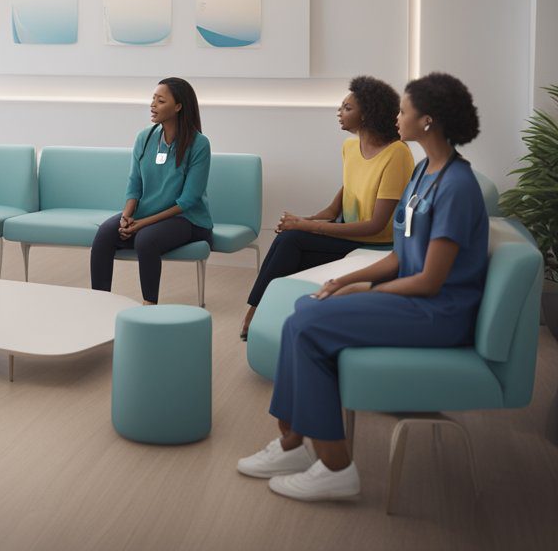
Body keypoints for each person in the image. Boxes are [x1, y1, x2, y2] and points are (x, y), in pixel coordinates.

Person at [238, 73, 486, 502]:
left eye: (403, 110)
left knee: (307, 325)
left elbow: (429, 279)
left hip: (437, 313)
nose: (396, 116)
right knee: (304, 309)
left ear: (427, 121)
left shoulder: (457, 187)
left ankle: (334, 465)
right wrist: (347, 278)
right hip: (413, 298)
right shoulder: (426, 170)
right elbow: (400, 254)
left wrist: (366, 293)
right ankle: (293, 445)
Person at [240, 76, 414, 340]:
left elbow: (376, 226)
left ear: (366, 115)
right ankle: (265, 315)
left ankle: (256, 313)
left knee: (292, 241)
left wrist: (306, 226)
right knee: (288, 240)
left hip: (375, 242)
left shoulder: (396, 153)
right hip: (346, 234)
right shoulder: (350, 147)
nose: (339, 112)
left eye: (347, 108)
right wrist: (304, 220)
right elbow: (337, 206)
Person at [91, 78, 213, 304]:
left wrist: (141, 224)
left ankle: (149, 306)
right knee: (105, 233)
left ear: (178, 107)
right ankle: (99, 302)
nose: (153, 105)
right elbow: (134, 183)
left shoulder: (199, 144)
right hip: (146, 214)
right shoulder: (145, 138)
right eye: (153, 99)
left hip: (188, 219)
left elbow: (188, 200)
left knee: (146, 240)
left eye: (160, 100)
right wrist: (127, 216)